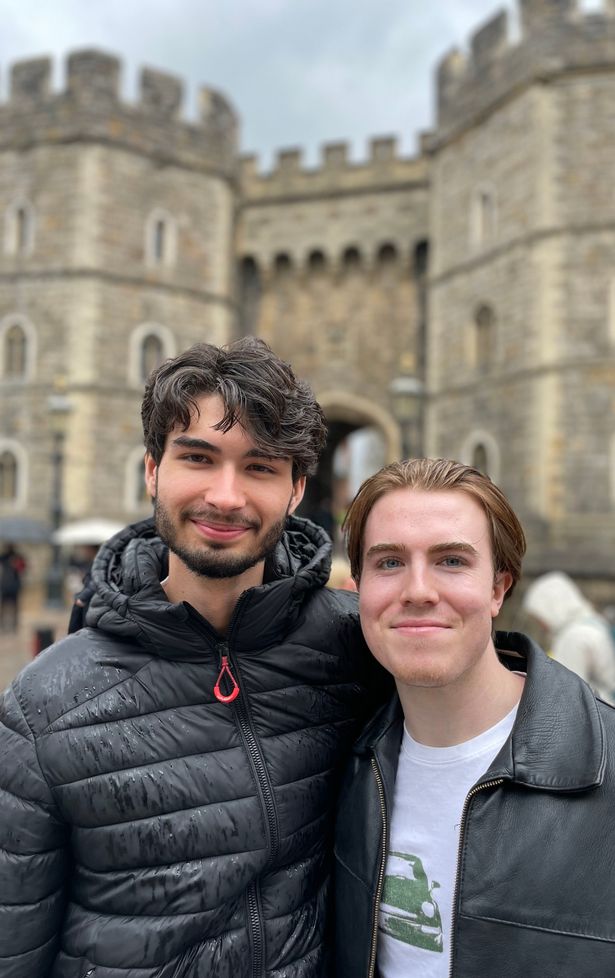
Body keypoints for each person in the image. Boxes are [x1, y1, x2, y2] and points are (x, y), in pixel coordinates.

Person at [0, 338, 380, 978]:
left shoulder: (359, 647)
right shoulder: (42, 708)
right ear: (152, 470)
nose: (225, 496)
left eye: (260, 467)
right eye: (198, 458)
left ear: (296, 490)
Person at [334, 457, 615, 977]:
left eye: (451, 561)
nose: (418, 590)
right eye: (389, 562)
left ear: (497, 589)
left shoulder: (603, 767)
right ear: (359, 588)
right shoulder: (342, 760)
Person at [522, 569, 615, 704]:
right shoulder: (592, 623)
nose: (541, 624)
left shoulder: (572, 637)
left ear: (551, 608)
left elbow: (568, 693)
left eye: (539, 617)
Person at [0, 543, 27, 632]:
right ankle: (3, 624)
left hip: (14, 585)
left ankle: (14, 625)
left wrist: (16, 564)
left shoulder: (18, 557)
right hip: (5, 585)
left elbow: (23, 568)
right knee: (4, 606)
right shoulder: (3, 557)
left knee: (15, 606)